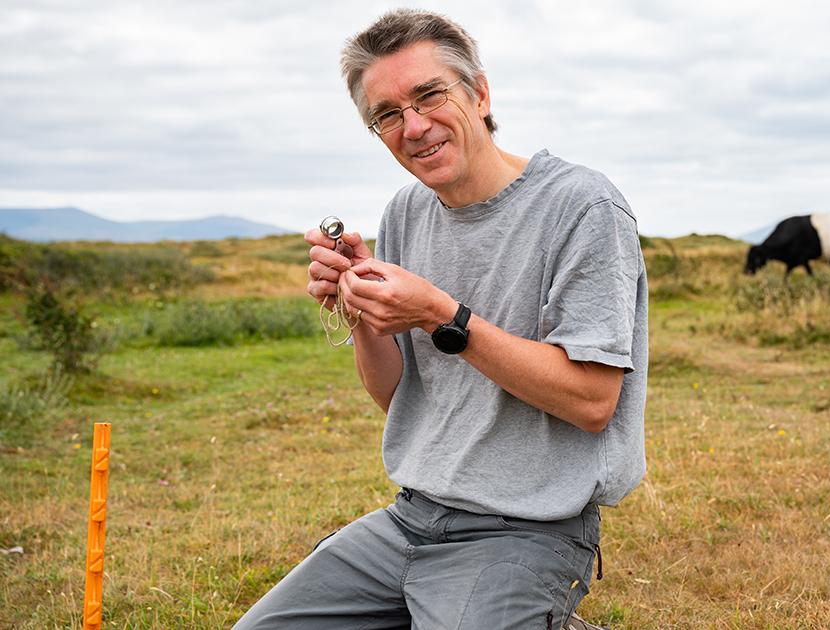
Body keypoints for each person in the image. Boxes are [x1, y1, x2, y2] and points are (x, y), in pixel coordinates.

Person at [235, 9, 647, 629]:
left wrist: (440, 316)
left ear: (480, 94)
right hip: (410, 519)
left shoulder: (582, 206)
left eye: (429, 95)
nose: (415, 126)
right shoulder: (405, 211)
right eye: (388, 115)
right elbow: (399, 397)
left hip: (527, 531)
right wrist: (363, 313)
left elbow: (591, 401)